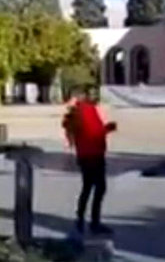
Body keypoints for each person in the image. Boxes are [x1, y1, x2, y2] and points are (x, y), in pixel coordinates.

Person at [63, 86, 117, 238]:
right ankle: (94, 222)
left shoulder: (74, 113)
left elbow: (80, 132)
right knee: (99, 188)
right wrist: (108, 128)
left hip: (84, 155)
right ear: (83, 96)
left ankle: (80, 218)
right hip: (95, 154)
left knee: (87, 186)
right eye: (90, 94)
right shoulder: (88, 110)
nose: (93, 96)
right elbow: (95, 132)